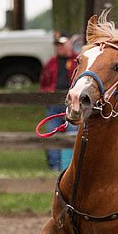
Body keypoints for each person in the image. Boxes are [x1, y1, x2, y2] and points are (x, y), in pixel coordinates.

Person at [40, 33, 78, 170]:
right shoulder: (51, 63)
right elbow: (43, 83)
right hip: (54, 103)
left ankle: (70, 166)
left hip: (72, 103)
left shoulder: (77, 60)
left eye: (62, 44)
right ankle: (55, 166)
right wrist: (47, 95)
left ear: (68, 44)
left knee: (73, 132)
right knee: (52, 131)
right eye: (57, 45)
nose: (59, 48)